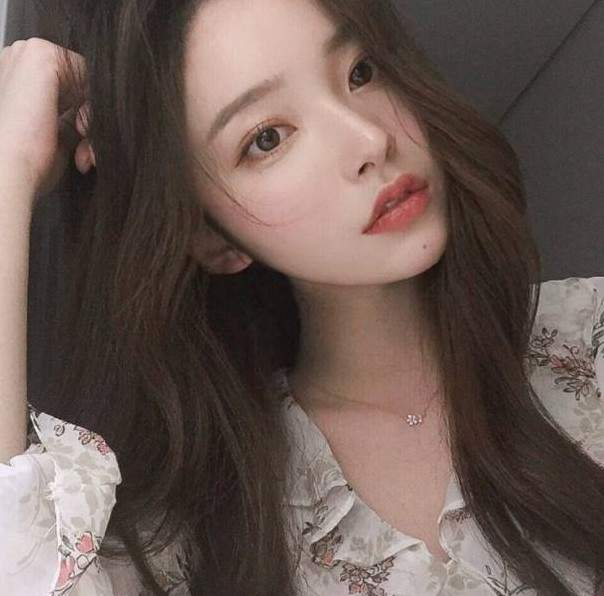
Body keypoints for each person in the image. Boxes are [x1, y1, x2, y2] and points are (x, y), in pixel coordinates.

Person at [0, 0, 603, 594]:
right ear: (211, 238)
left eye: (361, 72)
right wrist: (8, 171)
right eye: (267, 138)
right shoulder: (199, 535)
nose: (369, 140)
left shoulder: (590, 342)